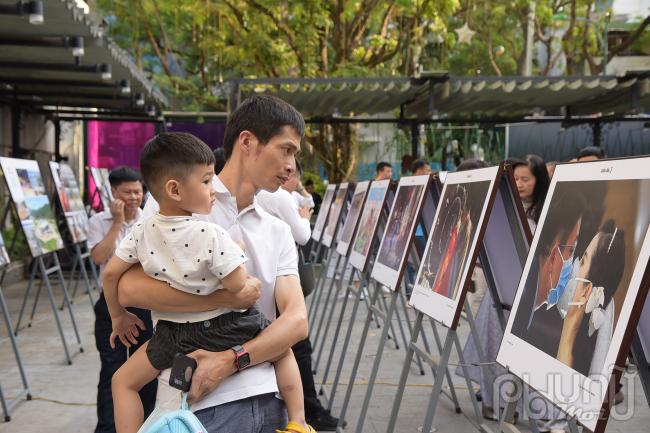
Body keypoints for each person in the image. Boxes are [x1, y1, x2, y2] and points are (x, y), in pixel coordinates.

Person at [116, 94, 311, 433]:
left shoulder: (277, 229)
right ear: (247, 141)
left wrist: (232, 359)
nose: (292, 164)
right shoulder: (176, 206)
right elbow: (128, 288)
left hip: (269, 401)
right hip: (195, 407)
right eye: (286, 149)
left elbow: (296, 321)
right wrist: (223, 299)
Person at [258, 164, 343, 430]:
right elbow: (303, 236)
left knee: (286, 345)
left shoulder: (261, 194)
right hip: (281, 282)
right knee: (297, 346)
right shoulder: (278, 196)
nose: (289, 170)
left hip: (268, 286)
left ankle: (304, 412)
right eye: (286, 154)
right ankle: (309, 412)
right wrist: (304, 217)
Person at [88, 167, 156, 433]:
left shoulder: (149, 219)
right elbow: (98, 257)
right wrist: (117, 223)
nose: (133, 197)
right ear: (113, 192)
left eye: (138, 191)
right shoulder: (98, 221)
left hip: (143, 303)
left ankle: (147, 425)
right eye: (127, 192)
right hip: (109, 304)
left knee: (147, 369)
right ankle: (107, 428)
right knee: (112, 371)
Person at [511, 155, 551, 232]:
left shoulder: (549, 208)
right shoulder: (509, 205)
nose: (518, 184)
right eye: (515, 179)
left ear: (540, 181)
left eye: (525, 179)